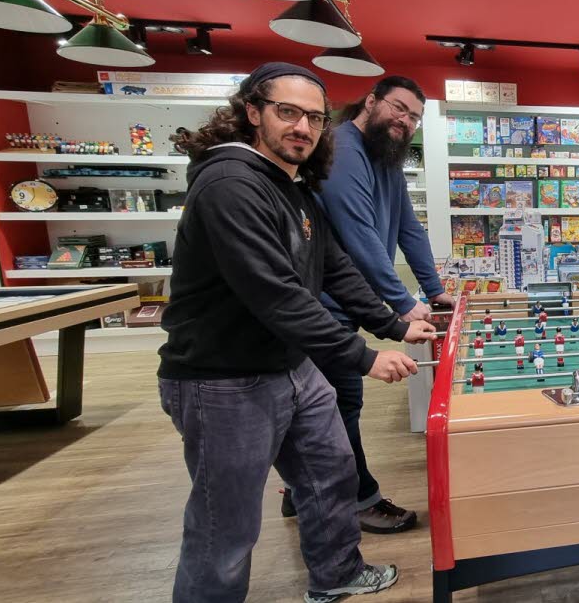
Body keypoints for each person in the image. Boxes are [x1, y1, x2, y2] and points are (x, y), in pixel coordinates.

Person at [158, 62, 436, 603]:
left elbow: (335, 268)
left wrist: (393, 324)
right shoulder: (230, 184)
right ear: (252, 112)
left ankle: (336, 575)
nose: (303, 127)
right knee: (226, 524)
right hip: (222, 380)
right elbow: (276, 295)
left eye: (314, 117)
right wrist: (364, 356)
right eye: (287, 112)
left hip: (290, 365)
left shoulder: (292, 185)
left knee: (331, 472)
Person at [288, 75, 449, 535]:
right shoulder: (343, 148)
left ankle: (299, 492)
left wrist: (434, 289)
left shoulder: (384, 157)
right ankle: (360, 499)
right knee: (341, 404)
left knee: (325, 405)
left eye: (414, 117)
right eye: (399, 108)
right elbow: (357, 233)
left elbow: (408, 228)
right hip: (322, 305)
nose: (406, 121)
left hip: (345, 303)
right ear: (372, 101)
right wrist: (400, 303)